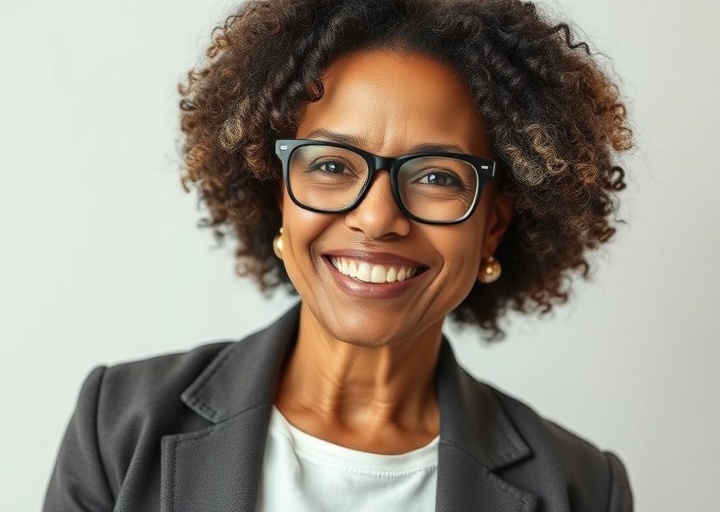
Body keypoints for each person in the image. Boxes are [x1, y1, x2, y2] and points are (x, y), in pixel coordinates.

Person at [43, 0, 634, 510]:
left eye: (435, 176)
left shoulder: (579, 489)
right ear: (278, 193)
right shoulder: (120, 426)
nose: (376, 218)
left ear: (493, 227)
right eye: (330, 165)